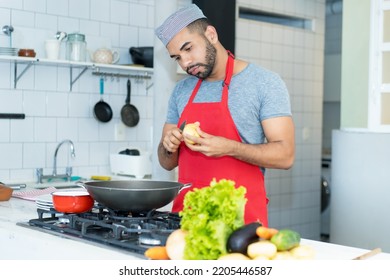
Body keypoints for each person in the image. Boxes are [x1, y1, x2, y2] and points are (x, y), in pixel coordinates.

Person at [155, 4, 294, 226]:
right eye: (177, 58)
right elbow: (166, 163)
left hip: (241, 223)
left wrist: (229, 147)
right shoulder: (181, 91)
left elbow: (286, 155)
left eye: (188, 49)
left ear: (211, 34)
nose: (185, 63)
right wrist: (168, 145)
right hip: (187, 221)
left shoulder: (264, 83)